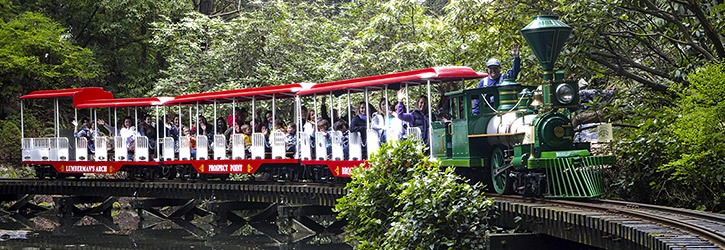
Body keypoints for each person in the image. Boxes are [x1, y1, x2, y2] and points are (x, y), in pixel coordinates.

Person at [472, 44, 522, 115]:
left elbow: (515, 71)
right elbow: (477, 101)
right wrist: (475, 116)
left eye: (495, 68)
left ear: (499, 68)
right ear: (487, 70)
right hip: (487, 113)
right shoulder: (483, 82)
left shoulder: (505, 78)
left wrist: (516, 58)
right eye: (490, 68)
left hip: (503, 110)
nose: (493, 70)